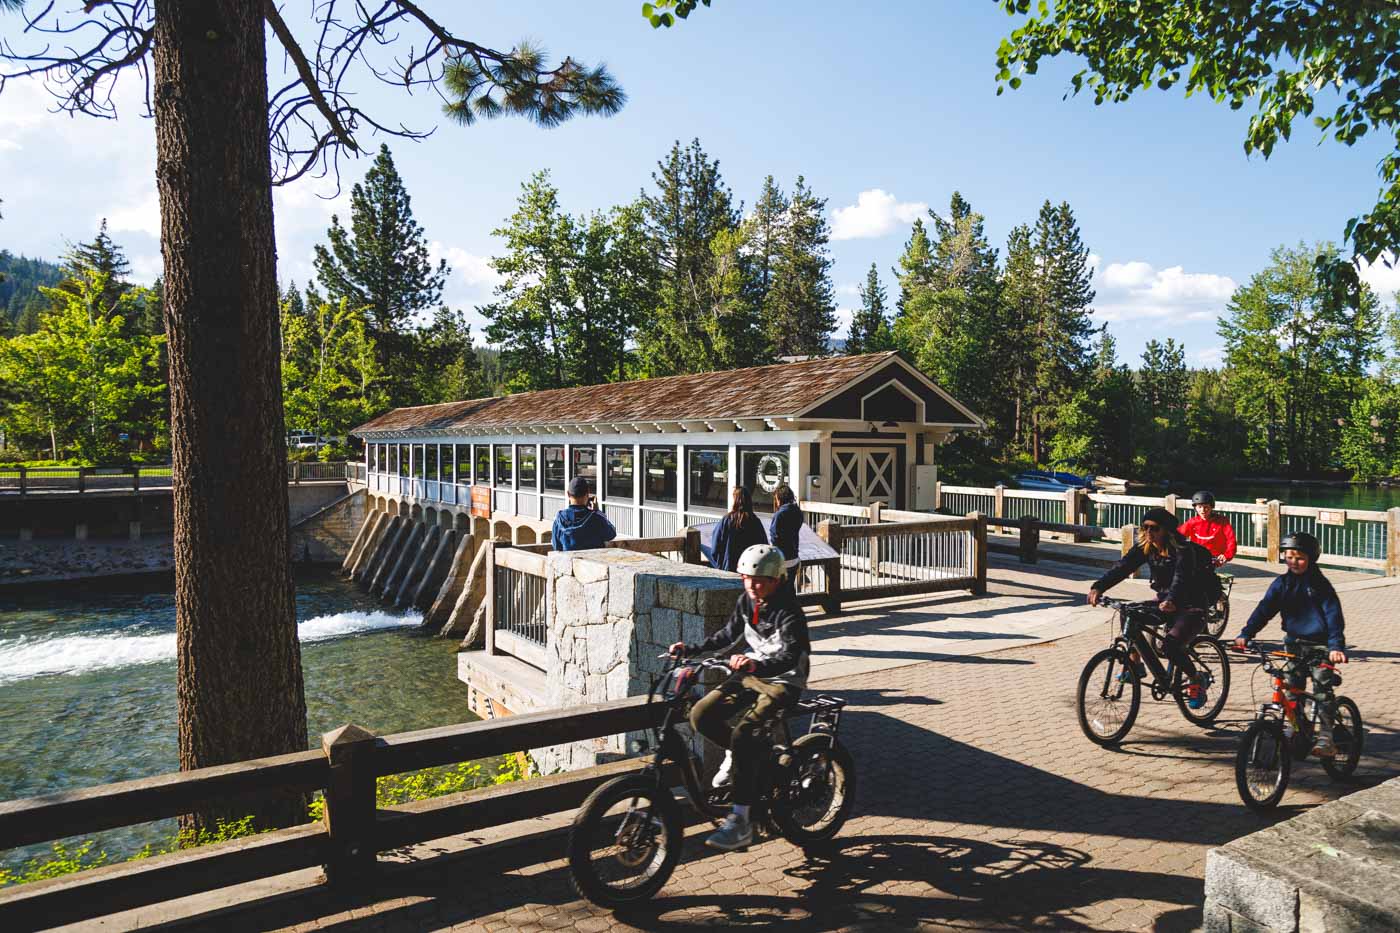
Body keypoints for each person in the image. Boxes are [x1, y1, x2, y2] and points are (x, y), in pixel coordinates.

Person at [669, 543, 810, 852]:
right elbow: (725, 636)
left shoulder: (789, 611)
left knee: (745, 733)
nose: (751, 585)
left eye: (759, 580)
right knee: (700, 715)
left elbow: (789, 656)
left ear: (777, 580)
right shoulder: (746, 601)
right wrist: (690, 650)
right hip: (752, 673)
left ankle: (741, 822)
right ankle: (743, 752)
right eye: (746, 577)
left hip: (783, 680)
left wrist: (756, 664)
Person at [1088, 507, 1220, 707]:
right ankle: (1135, 665)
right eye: (1146, 527)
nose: (1149, 532)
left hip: (1192, 605)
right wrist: (1098, 587)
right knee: (1129, 613)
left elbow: (1181, 578)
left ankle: (1196, 679)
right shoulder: (1146, 547)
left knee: (1170, 646)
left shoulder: (1184, 550)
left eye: (1154, 528)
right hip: (1165, 602)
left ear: (1166, 530)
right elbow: (1123, 567)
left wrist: (1172, 599)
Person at [1233, 532, 1347, 757]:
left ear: (1311, 559)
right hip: (1293, 644)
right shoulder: (1281, 583)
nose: (1294, 561)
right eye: (1289, 556)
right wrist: (1246, 633)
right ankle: (1297, 729)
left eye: (1300, 557)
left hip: (1320, 646)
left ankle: (1326, 737)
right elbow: (1264, 610)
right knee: (1292, 689)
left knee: (1321, 691)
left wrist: (1336, 647)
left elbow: (1334, 616)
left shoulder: (1319, 584)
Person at [710, 487, 769, 573]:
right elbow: (763, 546)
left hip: (729, 568)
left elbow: (715, 548)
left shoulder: (727, 520)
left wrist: (721, 565)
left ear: (735, 500)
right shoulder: (755, 521)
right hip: (749, 570)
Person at [550, 476, 617, 551]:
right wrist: (598, 512)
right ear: (588, 494)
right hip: (592, 561)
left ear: (568, 494)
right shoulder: (596, 518)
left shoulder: (559, 519)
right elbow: (612, 533)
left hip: (568, 561)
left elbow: (556, 546)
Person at [1179, 491, 1237, 567]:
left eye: (1206, 507)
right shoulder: (1192, 522)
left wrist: (1227, 555)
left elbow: (1231, 540)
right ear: (1195, 508)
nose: (1203, 510)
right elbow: (1178, 535)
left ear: (1211, 507)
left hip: (1216, 559)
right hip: (1197, 557)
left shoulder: (1222, 521)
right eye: (1199, 507)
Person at [768, 484, 804, 588]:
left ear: (780, 498)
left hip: (782, 558)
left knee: (779, 590)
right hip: (794, 555)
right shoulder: (798, 512)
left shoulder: (779, 514)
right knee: (790, 589)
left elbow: (774, 537)